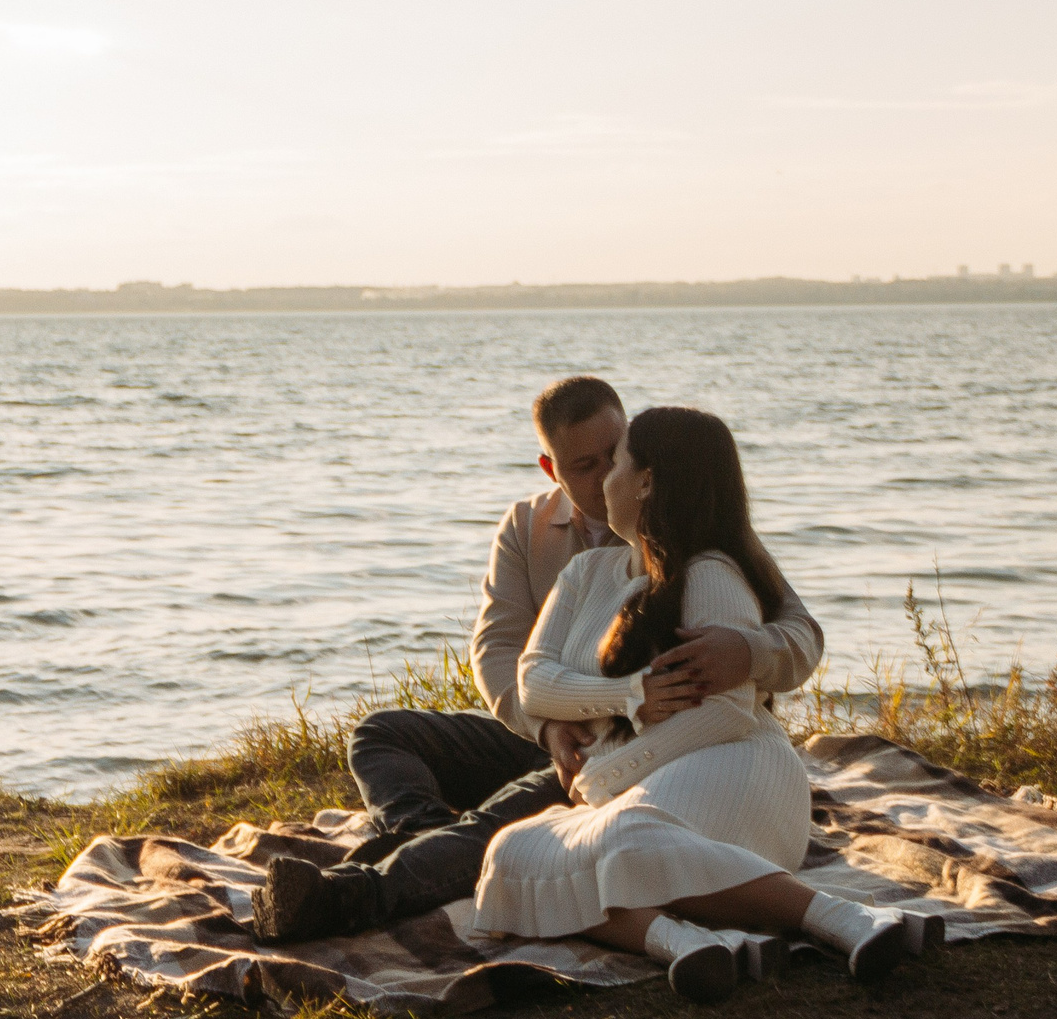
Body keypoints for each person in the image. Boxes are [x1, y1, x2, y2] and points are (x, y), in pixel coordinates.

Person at [249, 375, 824, 943]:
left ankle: (354, 894)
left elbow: (799, 632)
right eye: (583, 465)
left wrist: (747, 651)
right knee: (379, 733)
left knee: (503, 822)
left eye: (614, 455)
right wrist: (548, 727)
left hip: (639, 749)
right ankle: (424, 836)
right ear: (551, 469)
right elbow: (501, 653)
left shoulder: (696, 534)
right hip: (546, 729)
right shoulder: (529, 530)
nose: (603, 476)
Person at [470, 405, 938, 1000]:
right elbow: (533, 680)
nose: (602, 480)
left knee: (622, 839)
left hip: (735, 771)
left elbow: (728, 713)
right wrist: (631, 697)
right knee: (510, 854)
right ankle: (682, 941)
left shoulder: (710, 571)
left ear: (646, 481)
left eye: (615, 462)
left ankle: (841, 918)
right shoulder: (587, 573)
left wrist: (608, 775)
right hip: (645, 792)